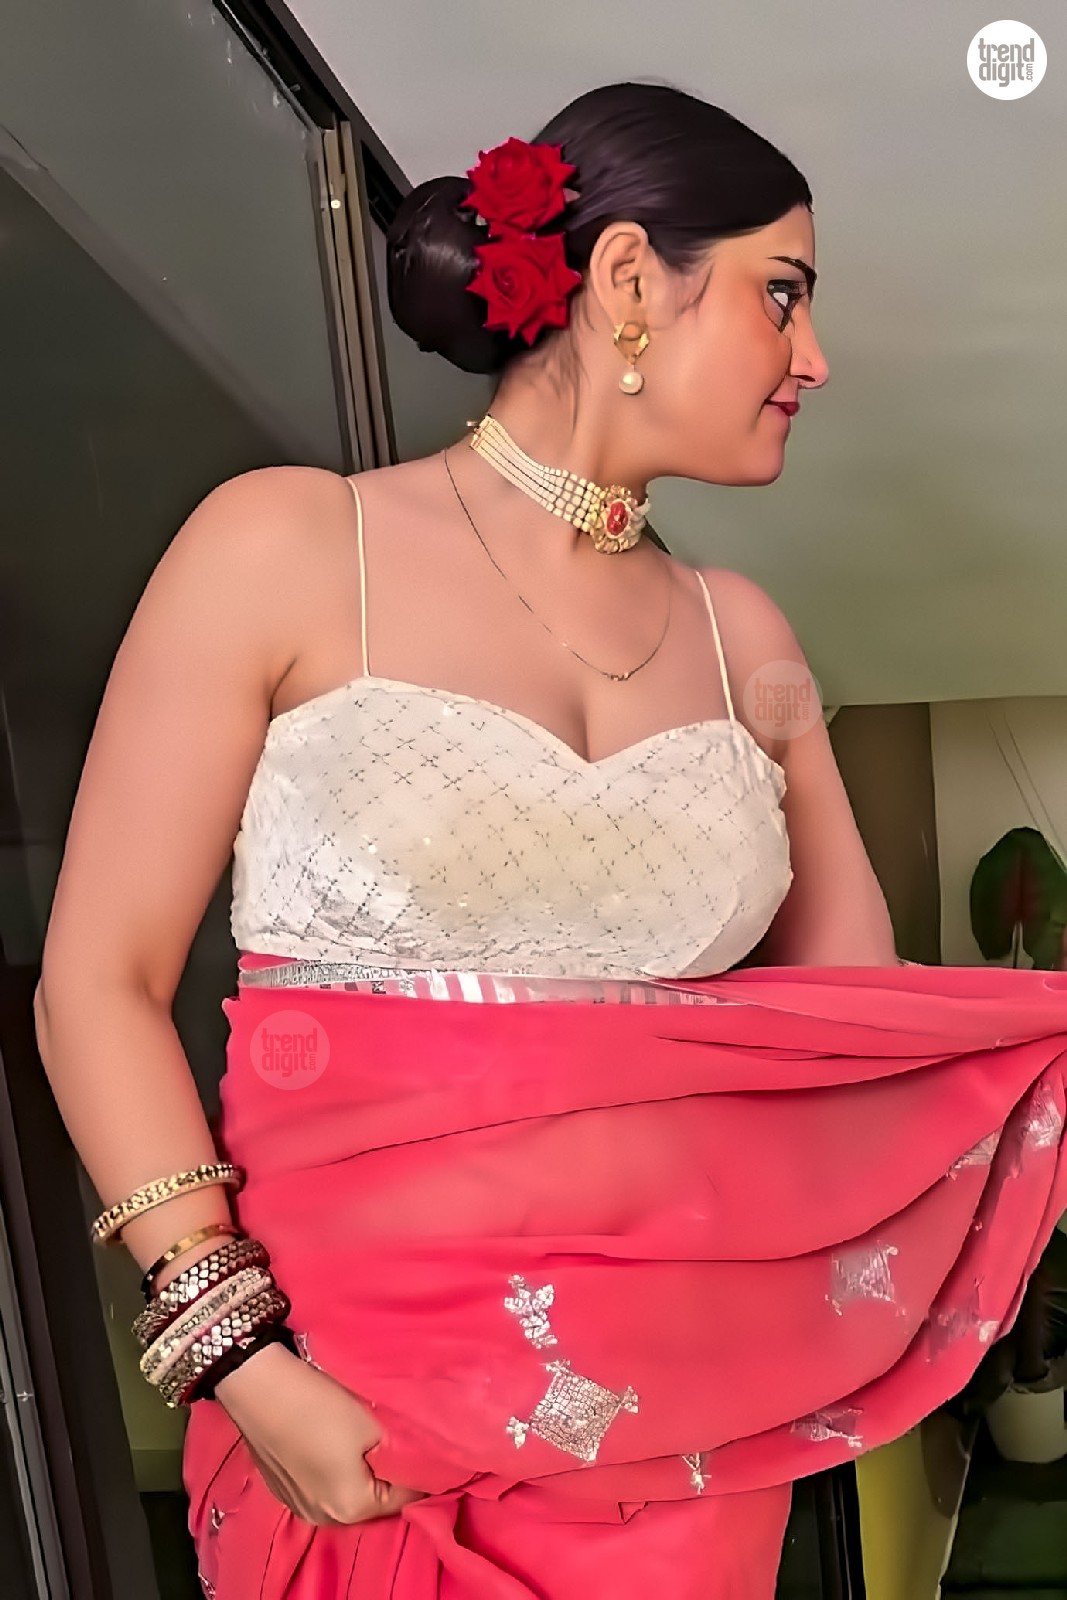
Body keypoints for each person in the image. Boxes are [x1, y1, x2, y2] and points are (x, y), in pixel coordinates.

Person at [32, 81, 1066, 1599]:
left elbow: (855, 1035)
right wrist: (237, 1361)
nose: (816, 358)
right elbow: (98, 984)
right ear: (630, 280)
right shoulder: (288, 547)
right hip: (350, 1421)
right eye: (783, 296)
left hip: (687, 1449)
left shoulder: (747, 641)